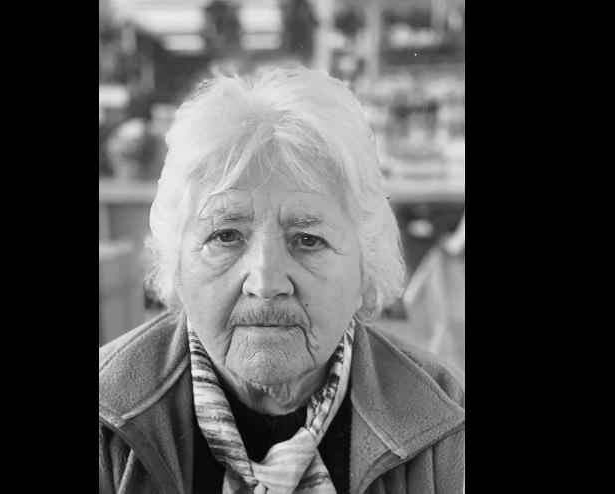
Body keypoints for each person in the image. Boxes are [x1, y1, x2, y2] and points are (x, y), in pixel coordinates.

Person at [99, 68, 465, 494]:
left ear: (366, 268)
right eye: (226, 236)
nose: (266, 282)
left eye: (308, 239)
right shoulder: (107, 415)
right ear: (176, 266)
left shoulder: (447, 419)